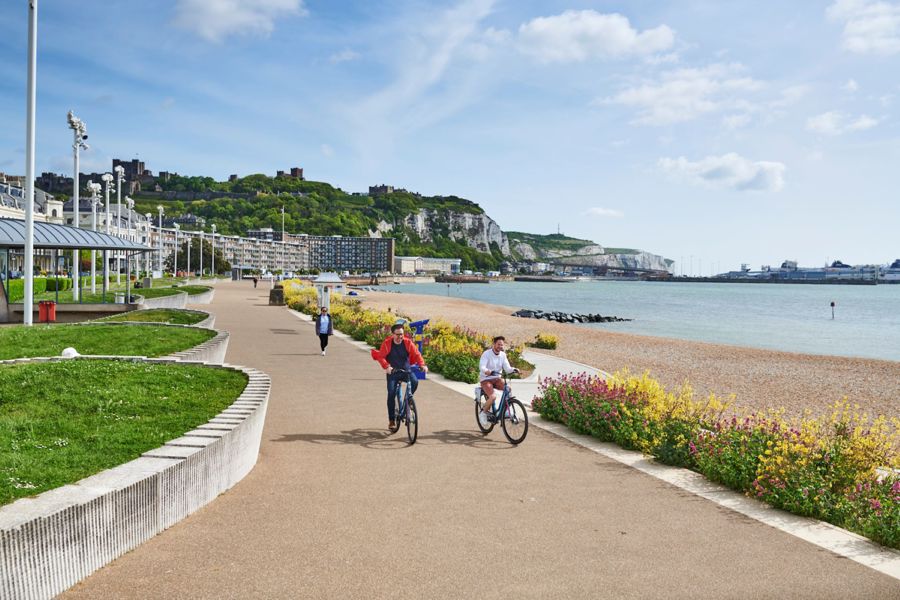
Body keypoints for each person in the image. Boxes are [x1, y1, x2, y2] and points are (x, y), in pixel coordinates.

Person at [371, 323, 428, 430]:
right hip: (393, 372)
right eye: (397, 335)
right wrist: (387, 366)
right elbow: (381, 357)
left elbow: (416, 354)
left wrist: (422, 364)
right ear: (392, 334)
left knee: (415, 382)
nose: (400, 337)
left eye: (401, 334)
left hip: (406, 371)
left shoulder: (407, 342)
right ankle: (392, 420)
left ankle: (408, 401)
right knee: (391, 393)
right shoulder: (387, 343)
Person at [478, 336, 518, 427]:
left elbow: (507, 368)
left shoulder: (503, 355)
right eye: (499, 344)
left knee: (508, 389)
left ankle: (507, 411)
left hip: (497, 378)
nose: (500, 346)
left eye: (502, 345)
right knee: (492, 397)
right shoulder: (486, 354)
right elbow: (482, 366)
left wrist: (514, 369)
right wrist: (486, 371)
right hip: (486, 379)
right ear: (494, 344)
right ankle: (483, 413)